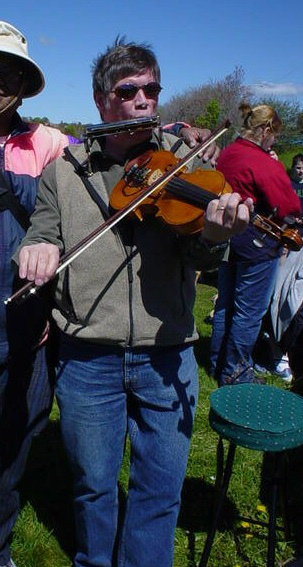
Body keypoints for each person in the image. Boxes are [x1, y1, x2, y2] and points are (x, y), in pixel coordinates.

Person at [15, 37, 252, 567]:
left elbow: (200, 259)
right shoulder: (66, 170)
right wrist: (36, 249)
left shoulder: (183, 167)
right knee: (93, 487)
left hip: (167, 354)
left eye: (152, 89)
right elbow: (42, 232)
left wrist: (214, 237)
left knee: (159, 492)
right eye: (129, 90)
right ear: (103, 101)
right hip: (87, 359)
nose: (145, 100)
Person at [0, 20, 75, 567]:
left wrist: (171, 131)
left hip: (22, 329)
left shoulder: (46, 142)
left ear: (23, 84)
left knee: (11, 452)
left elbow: (110, 150)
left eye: (10, 72)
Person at [209, 102, 302, 386]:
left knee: (225, 303)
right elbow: (288, 205)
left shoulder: (229, 152)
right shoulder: (262, 162)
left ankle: (217, 362)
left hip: (228, 238)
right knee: (249, 311)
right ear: (264, 130)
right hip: (257, 243)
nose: (274, 140)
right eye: (273, 134)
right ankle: (235, 372)